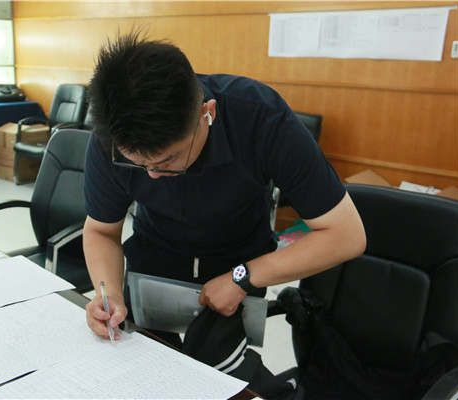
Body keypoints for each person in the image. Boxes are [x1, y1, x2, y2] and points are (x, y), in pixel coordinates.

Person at [83, 30, 366, 347]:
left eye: (167, 161)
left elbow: (346, 235)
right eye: (137, 164)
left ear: (209, 113)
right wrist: (109, 294)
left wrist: (242, 277)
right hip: (153, 263)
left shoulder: (261, 118)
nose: (152, 175)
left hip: (239, 262)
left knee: (223, 368)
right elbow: (101, 231)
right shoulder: (111, 134)